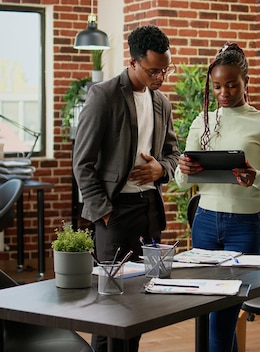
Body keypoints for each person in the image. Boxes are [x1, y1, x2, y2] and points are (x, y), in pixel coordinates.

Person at [72, 25, 180, 352]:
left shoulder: (161, 102)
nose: (161, 76)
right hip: (114, 214)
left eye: (165, 69)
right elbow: (83, 162)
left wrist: (161, 168)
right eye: (153, 70)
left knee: (140, 303)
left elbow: (173, 153)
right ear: (132, 62)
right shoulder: (103, 95)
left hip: (149, 211)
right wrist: (104, 212)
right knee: (110, 306)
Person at [175, 42, 260, 352]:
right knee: (211, 313)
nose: (224, 92)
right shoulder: (202, 122)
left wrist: (256, 177)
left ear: (245, 81)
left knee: (222, 317)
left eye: (231, 84)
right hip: (205, 223)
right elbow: (182, 184)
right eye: (218, 86)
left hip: (244, 226)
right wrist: (184, 168)